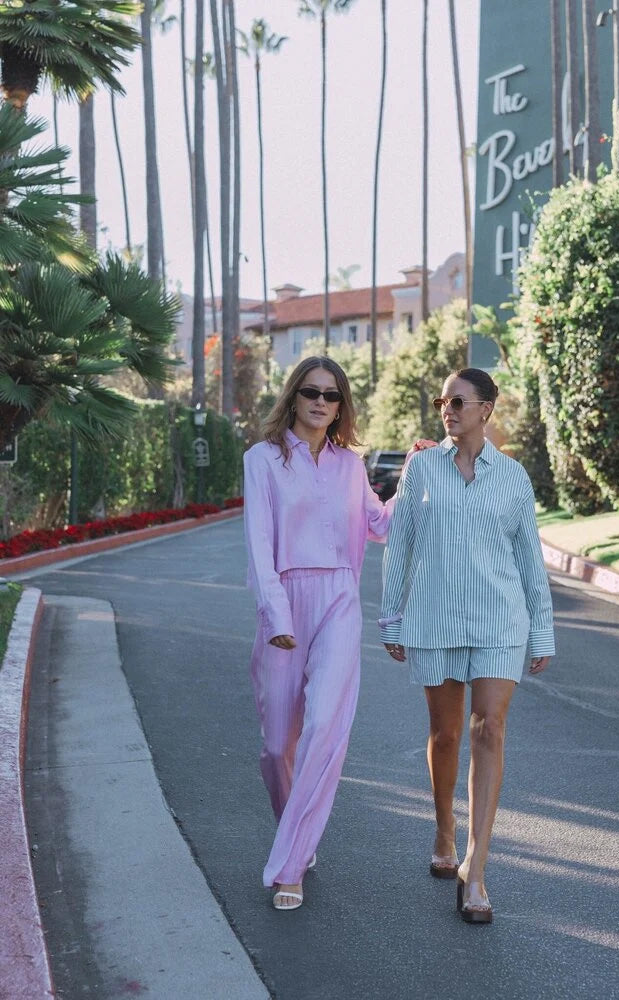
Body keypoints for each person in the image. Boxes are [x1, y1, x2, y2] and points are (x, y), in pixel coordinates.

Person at [379, 367, 555, 924]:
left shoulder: (513, 477)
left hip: (501, 620)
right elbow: (400, 545)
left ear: (486, 410)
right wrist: (392, 617)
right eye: (442, 402)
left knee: (490, 728)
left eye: (457, 402)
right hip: (434, 618)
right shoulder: (422, 468)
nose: (447, 410)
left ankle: (475, 871)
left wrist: (542, 629)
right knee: (446, 733)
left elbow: (529, 559)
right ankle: (443, 829)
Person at [243, 356, 398, 911]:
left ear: (340, 407)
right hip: (285, 600)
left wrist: (416, 477)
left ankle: (291, 864)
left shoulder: (350, 466)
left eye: (331, 396)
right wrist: (278, 618)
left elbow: (380, 524)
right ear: (294, 396)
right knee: (275, 748)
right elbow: (259, 545)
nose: (320, 402)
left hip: (339, 599)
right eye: (311, 391)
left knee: (325, 727)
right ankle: (295, 832)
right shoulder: (262, 459)